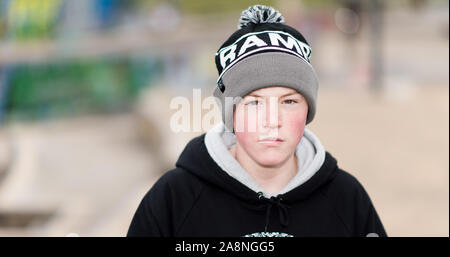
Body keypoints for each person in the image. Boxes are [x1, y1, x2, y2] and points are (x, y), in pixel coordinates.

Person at [127, 5, 387, 237]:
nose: (272, 120)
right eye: (254, 102)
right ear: (231, 111)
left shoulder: (346, 199)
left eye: (288, 101)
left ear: (308, 109)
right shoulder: (174, 199)